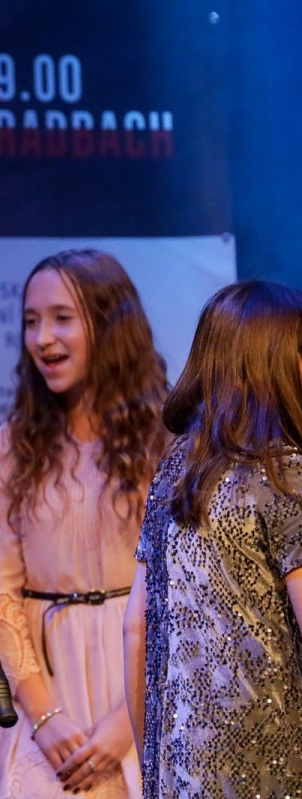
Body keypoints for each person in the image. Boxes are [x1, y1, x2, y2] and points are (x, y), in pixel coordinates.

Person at [0, 250, 167, 797]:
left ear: (109, 326)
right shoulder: (10, 447)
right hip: (46, 688)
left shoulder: (164, 441)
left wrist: (128, 721)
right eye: (31, 321)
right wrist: (43, 717)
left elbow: (182, 595)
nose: (42, 339)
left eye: (62, 318)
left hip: (141, 678)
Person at [126, 280, 302, 798]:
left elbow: (135, 628)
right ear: (274, 362)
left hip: (181, 773)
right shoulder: (286, 475)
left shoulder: (176, 472)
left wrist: (152, 766)